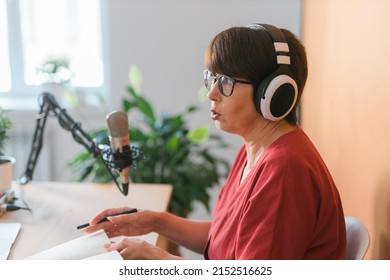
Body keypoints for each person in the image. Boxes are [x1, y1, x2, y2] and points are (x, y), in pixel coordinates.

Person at [84, 23, 346, 260]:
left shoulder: (285, 168)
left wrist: (158, 259)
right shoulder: (254, 150)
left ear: (274, 93)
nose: (211, 93)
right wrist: (155, 221)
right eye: (212, 78)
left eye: (226, 81)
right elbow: (226, 240)